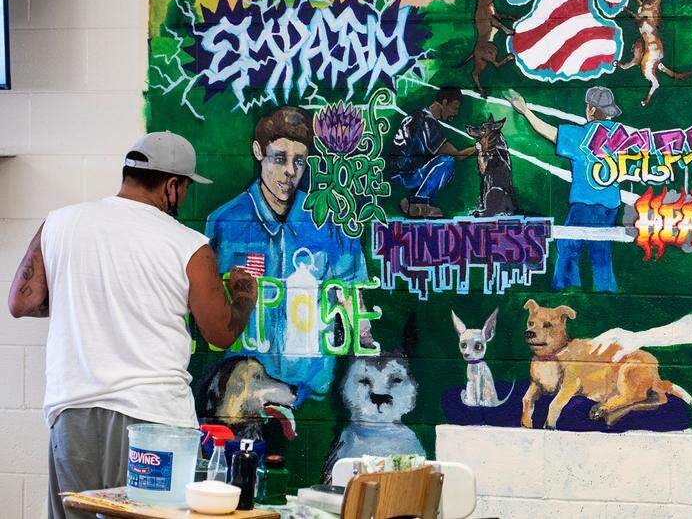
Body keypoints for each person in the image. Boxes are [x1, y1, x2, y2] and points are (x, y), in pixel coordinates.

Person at [7, 132, 257, 519]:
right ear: (172, 186)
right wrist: (243, 297)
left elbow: (22, 302)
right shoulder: (188, 245)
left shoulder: (58, 223)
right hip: (153, 418)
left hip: (74, 412)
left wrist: (84, 302)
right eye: (186, 188)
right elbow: (220, 332)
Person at [206, 105, 370, 403]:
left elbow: (352, 296)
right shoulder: (224, 223)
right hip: (243, 392)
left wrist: (366, 341)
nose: (290, 172)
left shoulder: (327, 221)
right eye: (279, 159)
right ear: (258, 152)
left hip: (314, 391)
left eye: (299, 161)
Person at [510, 85, 623, 292]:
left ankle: (566, 291)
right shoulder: (620, 138)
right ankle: (606, 293)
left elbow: (547, 131)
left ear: (590, 109)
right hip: (611, 206)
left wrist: (525, 111)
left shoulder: (581, 136)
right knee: (601, 253)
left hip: (585, 204)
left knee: (569, 248)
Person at [390, 86, 477, 218]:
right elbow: (458, 155)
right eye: (454, 107)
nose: (455, 113)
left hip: (399, 171)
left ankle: (410, 201)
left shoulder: (417, 114)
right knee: (447, 163)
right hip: (405, 176)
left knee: (444, 166)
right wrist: (479, 147)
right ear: (444, 102)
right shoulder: (427, 122)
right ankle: (418, 203)